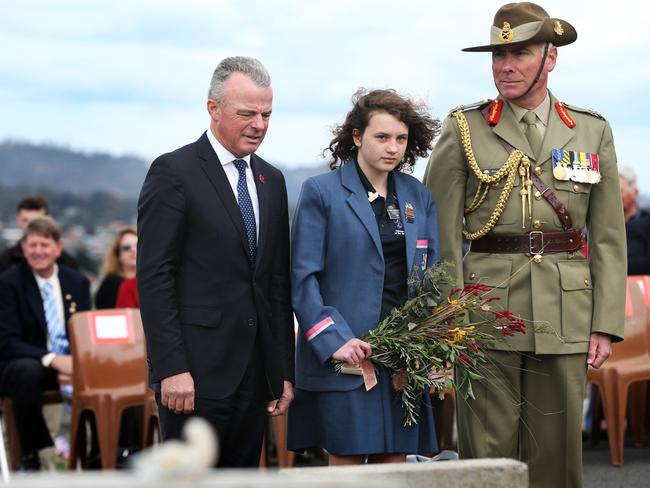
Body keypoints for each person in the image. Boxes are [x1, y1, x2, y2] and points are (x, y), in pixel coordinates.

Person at [423, 3, 626, 487]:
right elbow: (440, 234)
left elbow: (607, 238)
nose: (505, 66)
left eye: (520, 53)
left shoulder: (591, 130)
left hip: (566, 313)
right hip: (484, 313)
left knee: (557, 457)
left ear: (550, 58)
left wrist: (606, 325)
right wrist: (446, 321)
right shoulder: (464, 128)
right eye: (498, 55)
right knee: (487, 457)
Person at [137, 56, 294, 468]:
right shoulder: (174, 172)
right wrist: (171, 368)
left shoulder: (272, 181)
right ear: (214, 108)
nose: (259, 124)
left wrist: (281, 371)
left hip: (254, 375)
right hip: (193, 377)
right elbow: (155, 278)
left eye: (266, 114)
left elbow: (276, 283)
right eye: (247, 113)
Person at [288, 89, 440, 465]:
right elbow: (302, 279)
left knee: (395, 465)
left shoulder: (418, 196)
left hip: (401, 357)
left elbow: (432, 275)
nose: (393, 148)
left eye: (401, 139)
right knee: (349, 469)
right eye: (382, 137)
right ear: (357, 137)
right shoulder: (321, 193)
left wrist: (424, 338)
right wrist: (334, 339)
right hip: (345, 356)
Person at [0, 216, 90, 470]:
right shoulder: (9, 283)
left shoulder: (78, 282)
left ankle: (107, 453)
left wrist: (75, 365)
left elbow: (84, 333)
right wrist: (54, 362)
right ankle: (34, 454)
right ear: (23, 248)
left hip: (72, 364)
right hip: (25, 365)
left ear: (58, 248)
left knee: (114, 372)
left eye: (45, 244)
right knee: (26, 371)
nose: (39, 251)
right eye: (33, 245)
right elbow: (6, 341)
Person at [0, 195, 78, 273]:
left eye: (37, 220)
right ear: (18, 220)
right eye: (25, 220)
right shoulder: (5, 260)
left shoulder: (67, 262)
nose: (30, 226)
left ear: (48, 219)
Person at [95, 227, 137, 309]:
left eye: (137, 245)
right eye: (126, 248)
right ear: (118, 255)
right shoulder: (110, 285)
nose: (133, 250)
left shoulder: (153, 281)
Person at [619, 166, 650, 275]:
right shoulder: (605, 225)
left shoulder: (646, 222)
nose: (617, 198)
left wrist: (618, 265)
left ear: (635, 192)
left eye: (620, 191)